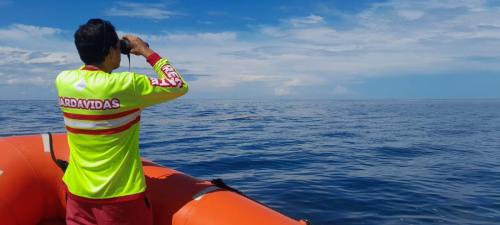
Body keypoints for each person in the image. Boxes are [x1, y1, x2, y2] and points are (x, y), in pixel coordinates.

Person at [55, 18, 188, 225]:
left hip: (77, 193)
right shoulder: (126, 85)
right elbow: (178, 85)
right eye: (118, 46)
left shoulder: (63, 80)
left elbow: (90, 78)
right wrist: (146, 51)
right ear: (109, 51)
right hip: (121, 198)